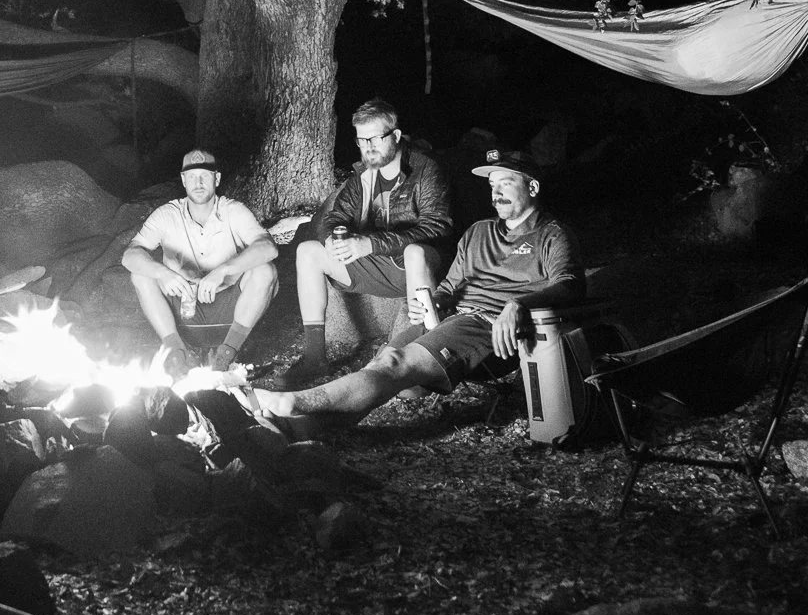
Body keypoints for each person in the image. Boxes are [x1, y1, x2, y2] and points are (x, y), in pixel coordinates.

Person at [246, 148, 582, 430]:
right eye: (493, 184)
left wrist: (519, 304)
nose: (496, 192)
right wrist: (434, 300)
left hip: (488, 329)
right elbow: (450, 286)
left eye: (506, 183)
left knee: (393, 365)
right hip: (450, 319)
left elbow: (570, 286)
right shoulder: (479, 231)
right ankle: (305, 428)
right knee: (382, 368)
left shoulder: (552, 235)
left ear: (533, 187)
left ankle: (290, 403)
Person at [270, 98, 454, 389]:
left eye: (375, 139)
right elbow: (336, 215)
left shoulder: (424, 170)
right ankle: (315, 357)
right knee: (309, 251)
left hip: (418, 268)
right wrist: (335, 237)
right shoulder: (363, 176)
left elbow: (438, 226)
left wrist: (370, 244)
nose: (368, 147)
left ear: (394, 136)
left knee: (416, 253)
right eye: (361, 140)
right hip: (378, 268)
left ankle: (424, 362)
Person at [123, 149, 279, 377]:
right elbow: (130, 255)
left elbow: (268, 247)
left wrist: (226, 269)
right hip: (184, 317)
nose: (198, 182)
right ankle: (177, 352)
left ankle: (226, 355)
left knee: (265, 271)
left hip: (231, 314)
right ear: (183, 180)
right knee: (141, 274)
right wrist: (162, 273)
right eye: (192, 176)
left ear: (216, 179)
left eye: (205, 176)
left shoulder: (233, 210)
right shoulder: (167, 214)